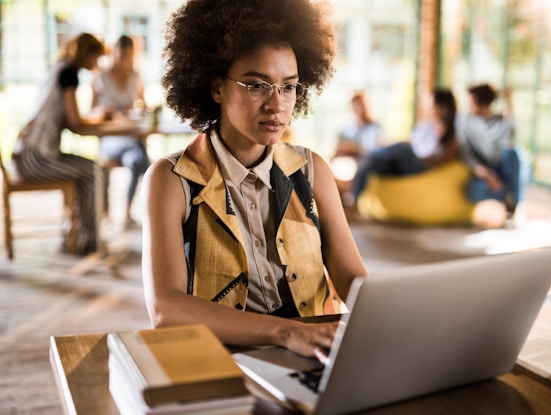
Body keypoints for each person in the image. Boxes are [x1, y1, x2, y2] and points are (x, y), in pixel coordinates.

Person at [141, 0, 367, 360]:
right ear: (216, 88)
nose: (277, 105)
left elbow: (353, 279)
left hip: (313, 355)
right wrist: (285, 332)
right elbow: (166, 309)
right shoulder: (171, 180)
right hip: (221, 357)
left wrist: (391, 313)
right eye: (257, 85)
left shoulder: (312, 170)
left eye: (289, 87)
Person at [12, 33, 107, 256]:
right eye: (97, 57)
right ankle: (86, 241)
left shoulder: (59, 68)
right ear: (88, 54)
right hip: (34, 158)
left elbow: (65, 119)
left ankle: (76, 236)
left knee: (94, 170)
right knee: (95, 173)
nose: (97, 63)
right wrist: (101, 116)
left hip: (27, 153)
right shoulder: (68, 74)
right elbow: (74, 121)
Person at [349, 88, 460, 200]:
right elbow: (411, 142)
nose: (428, 107)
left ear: (443, 108)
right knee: (371, 162)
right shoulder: (426, 126)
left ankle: (372, 152)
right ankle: (353, 200)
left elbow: (444, 160)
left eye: (431, 104)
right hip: (408, 161)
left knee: (403, 148)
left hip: (422, 167)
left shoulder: (452, 133)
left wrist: (422, 158)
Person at [91, 35, 151, 228]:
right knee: (141, 153)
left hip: (131, 138)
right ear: (113, 53)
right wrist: (106, 112)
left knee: (138, 161)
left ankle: (126, 212)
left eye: (129, 55)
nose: (125, 59)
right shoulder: (101, 77)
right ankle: (109, 213)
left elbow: (143, 105)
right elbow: (91, 111)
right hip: (110, 140)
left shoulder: (136, 76)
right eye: (121, 54)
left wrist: (146, 111)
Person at [456, 83, 529, 218]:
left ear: (484, 106)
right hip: (485, 170)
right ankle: (509, 195)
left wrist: (509, 101)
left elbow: (513, 137)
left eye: (471, 103)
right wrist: (487, 175)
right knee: (473, 192)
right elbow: (466, 154)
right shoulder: (465, 122)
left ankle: (512, 204)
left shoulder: (501, 121)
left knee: (515, 153)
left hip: (504, 168)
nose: (468, 107)